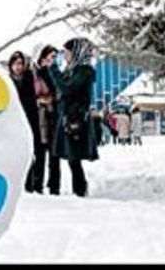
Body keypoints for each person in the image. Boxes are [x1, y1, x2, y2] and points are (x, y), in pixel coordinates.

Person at [45, 37, 98, 197]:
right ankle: (80, 189)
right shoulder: (73, 70)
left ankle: (80, 190)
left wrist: (53, 70)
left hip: (76, 118)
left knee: (74, 157)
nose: (65, 56)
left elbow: (67, 89)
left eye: (67, 52)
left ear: (76, 53)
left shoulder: (84, 71)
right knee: (71, 157)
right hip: (68, 116)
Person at [8, 51, 43, 193]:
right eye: (15, 64)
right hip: (15, 121)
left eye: (20, 64)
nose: (18, 67)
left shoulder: (29, 78)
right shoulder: (8, 80)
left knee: (32, 152)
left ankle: (32, 184)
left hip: (30, 119)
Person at [33, 44, 62, 195]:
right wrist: (39, 101)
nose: (53, 60)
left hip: (53, 117)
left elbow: (59, 92)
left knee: (54, 155)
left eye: (55, 58)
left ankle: (54, 187)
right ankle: (36, 186)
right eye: (51, 57)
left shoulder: (54, 73)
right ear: (42, 57)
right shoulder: (34, 73)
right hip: (38, 118)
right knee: (39, 154)